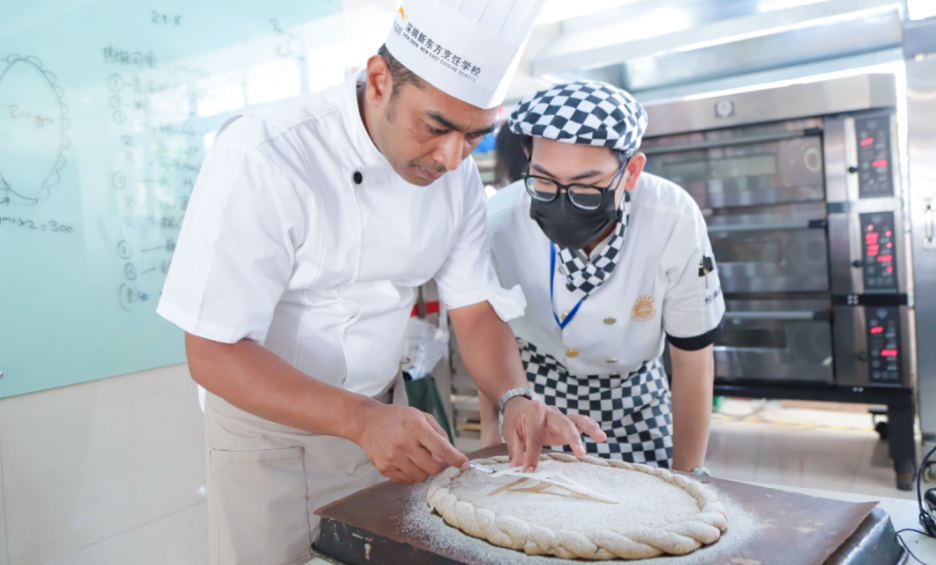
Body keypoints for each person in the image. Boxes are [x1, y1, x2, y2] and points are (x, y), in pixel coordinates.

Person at [156, 2, 601, 564]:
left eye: (475, 137)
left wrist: (515, 396)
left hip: (388, 421)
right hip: (271, 437)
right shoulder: (265, 154)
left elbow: (475, 310)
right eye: (435, 126)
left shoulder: (456, 175)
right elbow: (214, 353)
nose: (450, 156)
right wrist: (358, 420)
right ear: (379, 80)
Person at [480, 80, 725, 473]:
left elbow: (694, 360)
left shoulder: (671, 218)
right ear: (527, 157)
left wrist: (689, 476)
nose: (562, 202)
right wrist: (492, 439)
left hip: (636, 405)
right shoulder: (497, 222)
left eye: (587, 188)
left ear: (631, 171)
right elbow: (490, 338)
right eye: (543, 182)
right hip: (536, 405)